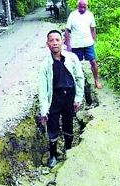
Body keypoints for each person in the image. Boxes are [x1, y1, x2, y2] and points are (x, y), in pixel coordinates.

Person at [39, 30, 85, 167]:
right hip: (54, 98)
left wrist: (78, 98)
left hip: (69, 97)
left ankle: (68, 150)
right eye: (51, 40)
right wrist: (43, 111)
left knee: (68, 123)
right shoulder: (45, 65)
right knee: (52, 126)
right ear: (47, 44)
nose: (54, 43)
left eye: (57, 40)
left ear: (62, 41)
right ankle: (53, 155)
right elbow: (42, 90)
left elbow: (79, 78)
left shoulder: (72, 58)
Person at [65, 0, 102, 89]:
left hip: (88, 44)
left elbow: (93, 29)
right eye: (81, 7)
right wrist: (68, 45)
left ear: (87, 6)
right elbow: (67, 31)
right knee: (76, 64)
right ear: (77, 6)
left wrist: (93, 40)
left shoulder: (90, 15)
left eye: (84, 7)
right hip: (76, 45)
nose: (82, 8)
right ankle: (76, 83)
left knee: (93, 61)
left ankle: (96, 81)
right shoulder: (72, 15)